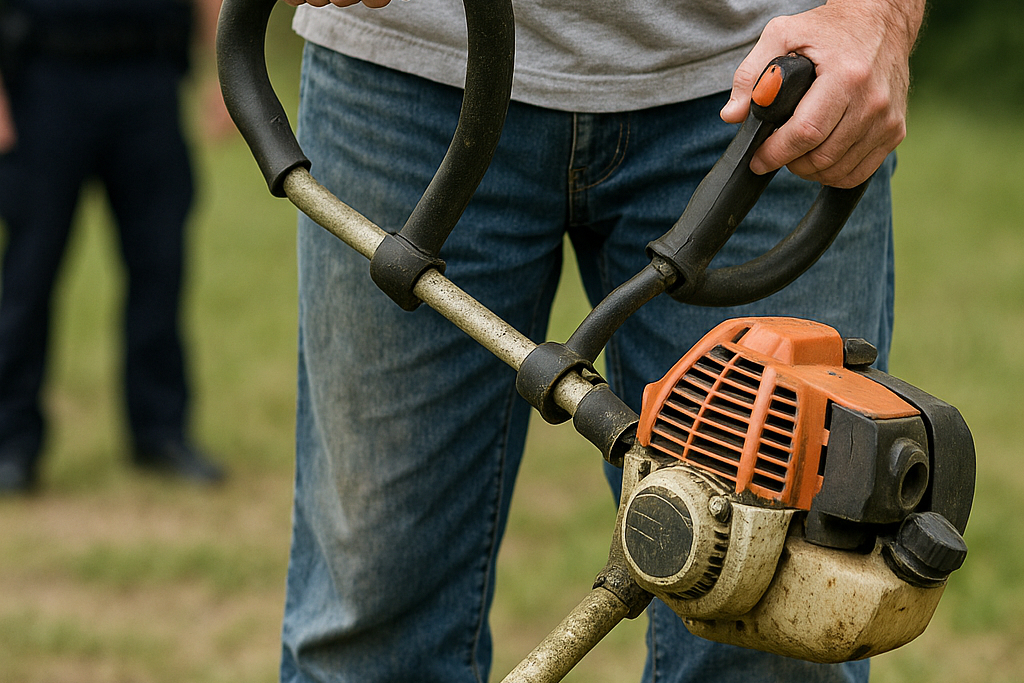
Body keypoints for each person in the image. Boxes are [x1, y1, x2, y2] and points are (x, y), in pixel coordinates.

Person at [271, 0, 924, 681]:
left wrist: (875, 17)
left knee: (776, 632)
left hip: (773, 85)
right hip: (408, 68)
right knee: (372, 632)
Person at [0, 0, 229, 494]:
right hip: (43, 79)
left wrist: (222, 71)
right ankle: (11, 442)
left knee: (160, 266)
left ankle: (160, 431)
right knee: (29, 275)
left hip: (149, 77)